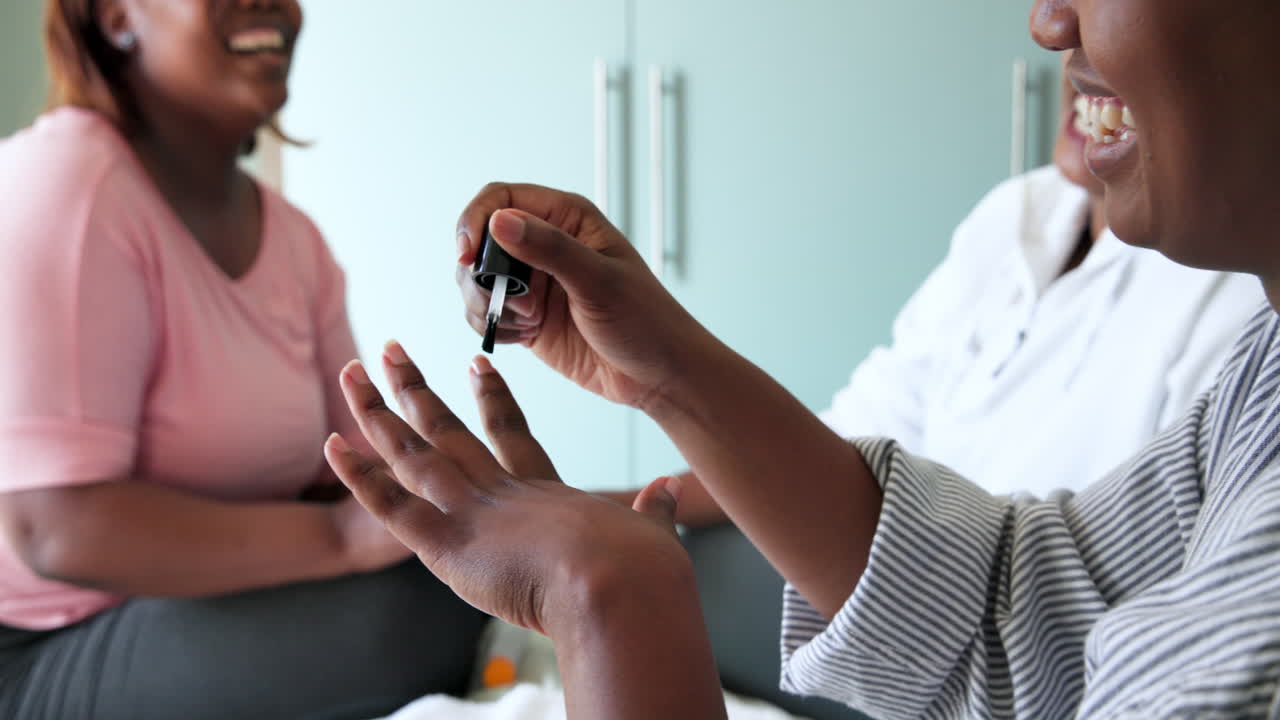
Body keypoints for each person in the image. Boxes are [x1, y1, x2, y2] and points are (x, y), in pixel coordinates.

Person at [327, 1, 1280, 719]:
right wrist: (665, 372)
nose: (1046, 21)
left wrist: (611, 602)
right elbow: (1018, 609)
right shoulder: (1258, 379)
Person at [0, 1, 485, 718]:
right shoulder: (63, 182)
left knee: (456, 570)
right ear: (115, 18)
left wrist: (529, 509)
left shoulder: (296, 243)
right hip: (39, 646)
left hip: (186, 607)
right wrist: (342, 541)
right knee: (406, 614)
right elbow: (52, 526)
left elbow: (356, 477)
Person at [602, 57, 1260, 527]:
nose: (1053, 27)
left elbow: (1054, 618)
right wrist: (629, 508)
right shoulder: (1018, 211)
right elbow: (857, 434)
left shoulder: (1239, 302)